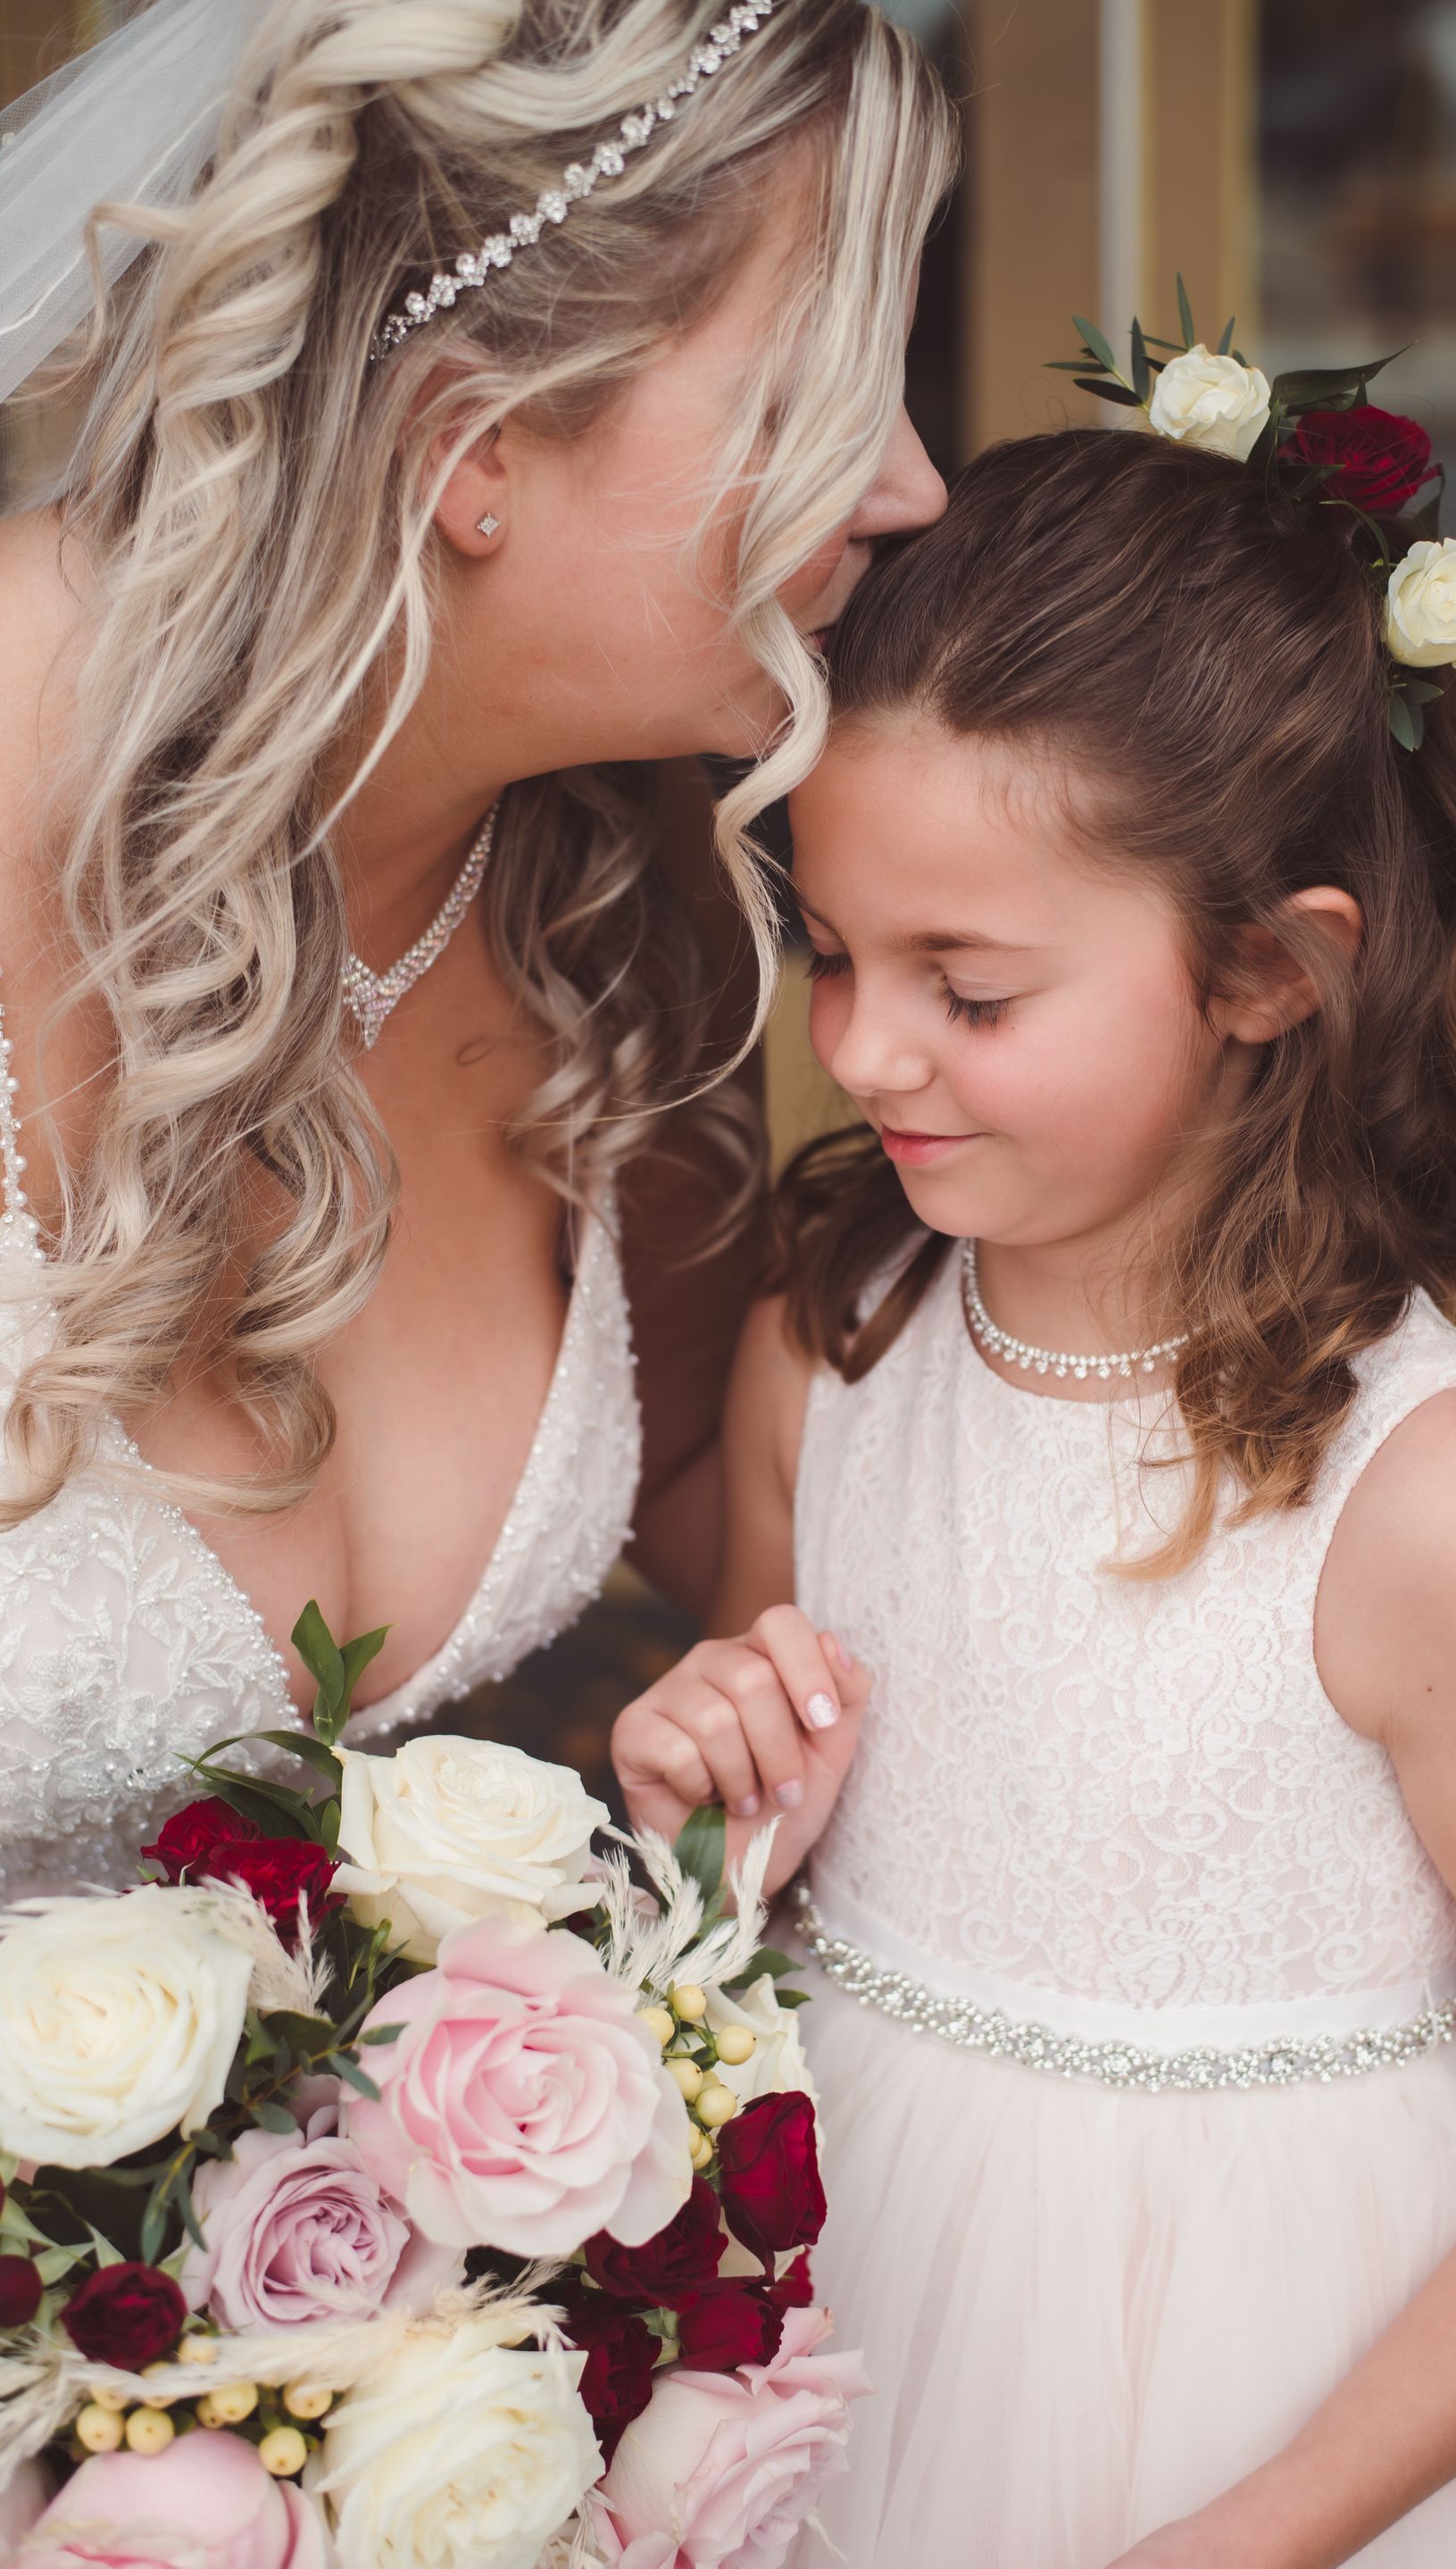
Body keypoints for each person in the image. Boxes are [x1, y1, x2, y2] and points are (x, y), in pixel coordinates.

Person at [611, 423, 1456, 2565]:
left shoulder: (1436, 1516)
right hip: (854, 2323)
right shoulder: (827, 1352)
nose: (865, 1050)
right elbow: (770, 1890)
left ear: (1268, 971)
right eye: (832, 949)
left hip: (1297, 2418)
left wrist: (1258, 2532)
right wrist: (699, 1794)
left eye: (974, 987)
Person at [0, 0, 954, 1899]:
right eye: (815, 400)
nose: (912, 485)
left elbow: (718, 1503)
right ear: (474, 441)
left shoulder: (631, 915)